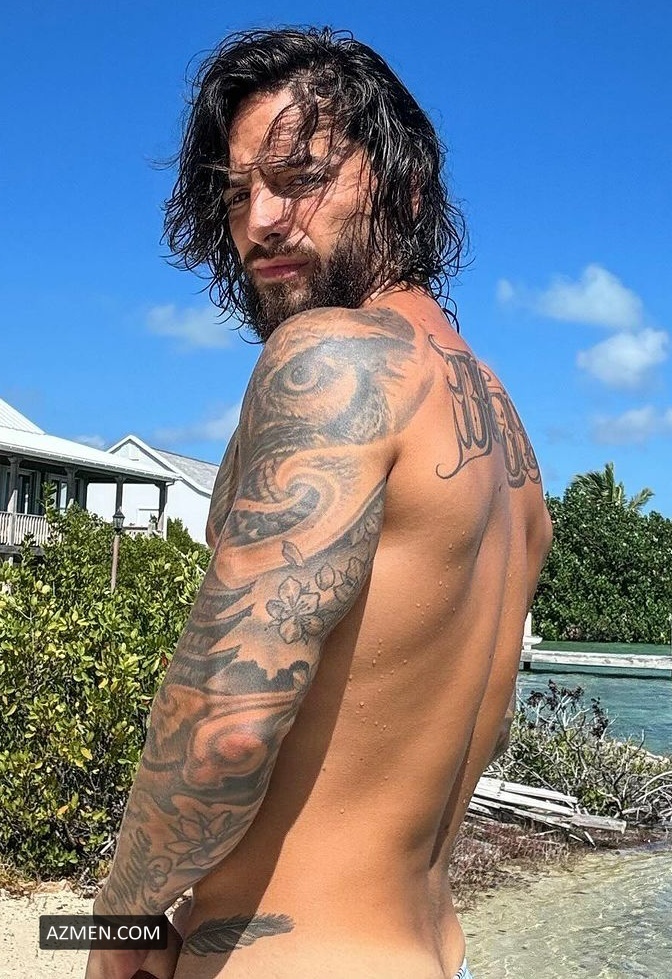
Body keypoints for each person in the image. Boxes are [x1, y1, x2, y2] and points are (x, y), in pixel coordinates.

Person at [85, 26, 552, 979]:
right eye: (237, 193)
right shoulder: (511, 448)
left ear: (405, 191)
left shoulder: (333, 358)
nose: (260, 220)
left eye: (300, 178)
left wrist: (115, 929)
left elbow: (227, 721)